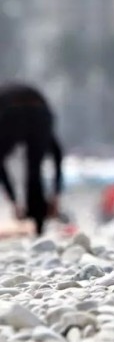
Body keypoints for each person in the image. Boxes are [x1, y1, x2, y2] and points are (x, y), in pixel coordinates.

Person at [0, 82, 64, 235]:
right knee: (34, 169)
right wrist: (56, 193)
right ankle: (38, 223)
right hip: (40, 112)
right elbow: (57, 155)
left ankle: (24, 210)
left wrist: (13, 199)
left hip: (12, 112)